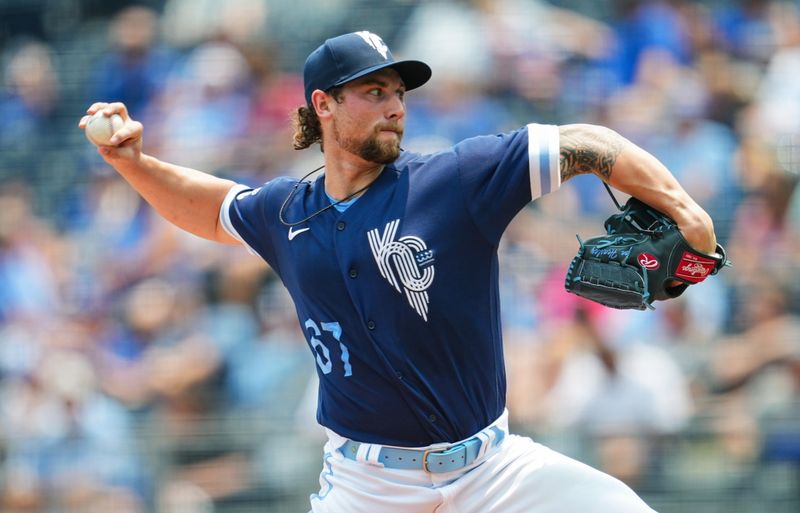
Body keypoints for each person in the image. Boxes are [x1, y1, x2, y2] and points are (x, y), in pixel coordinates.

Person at [79, 30, 718, 513]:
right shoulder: (287, 211)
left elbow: (585, 144)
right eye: (374, 91)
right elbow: (214, 206)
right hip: (366, 486)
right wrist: (132, 162)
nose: (395, 107)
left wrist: (685, 209)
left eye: (399, 93)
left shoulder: (454, 180)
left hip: (493, 473)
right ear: (323, 105)